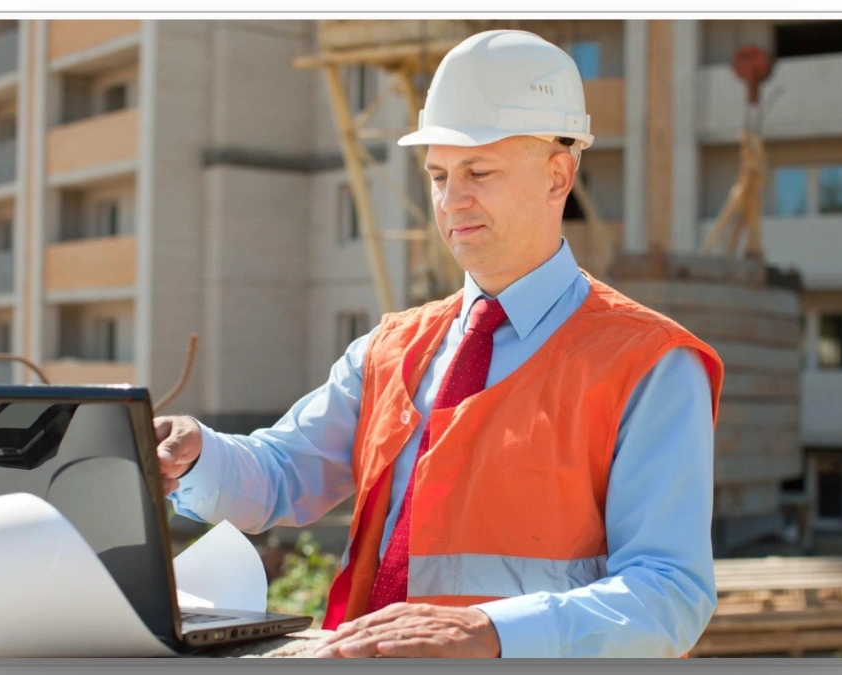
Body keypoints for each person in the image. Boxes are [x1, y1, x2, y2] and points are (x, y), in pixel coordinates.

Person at [154, 29, 724, 659]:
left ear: (558, 176)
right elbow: (283, 475)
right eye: (438, 175)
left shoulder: (649, 364)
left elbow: (670, 594)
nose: (452, 202)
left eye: (478, 171)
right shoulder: (391, 347)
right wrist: (196, 457)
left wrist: (493, 633)